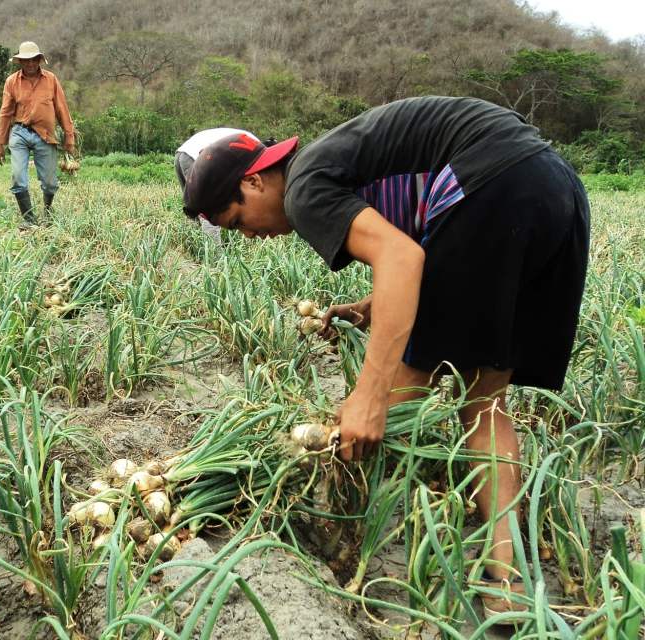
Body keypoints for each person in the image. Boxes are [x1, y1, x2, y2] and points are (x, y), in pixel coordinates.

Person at [182, 96, 590, 619]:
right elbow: (430, 245)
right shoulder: (335, 160)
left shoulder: (303, 188)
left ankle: (340, 525)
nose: (250, 235)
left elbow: (403, 256)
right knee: (484, 401)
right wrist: (373, 306)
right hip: (554, 186)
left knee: (399, 395)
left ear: (256, 180)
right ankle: (506, 580)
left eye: (236, 219)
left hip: (493, 187)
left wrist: (370, 396)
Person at [0, 41, 75, 227]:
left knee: (49, 182)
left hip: (45, 134)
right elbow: (5, 113)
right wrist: (0, 144)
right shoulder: (12, 82)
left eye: (34, 60)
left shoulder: (51, 80)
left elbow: (62, 109)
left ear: (39, 60)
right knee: (18, 177)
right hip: (20, 132)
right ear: (20, 62)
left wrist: (69, 138)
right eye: (26, 61)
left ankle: (47, 213)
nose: (30, 64)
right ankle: (29, 220)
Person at [175, 128, 259, 246]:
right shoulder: (256, 148)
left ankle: (194, 247)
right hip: (195, 156)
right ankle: (214, 256)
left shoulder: (250, 139)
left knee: (193, 207)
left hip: (182, 153)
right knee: (210, 207)